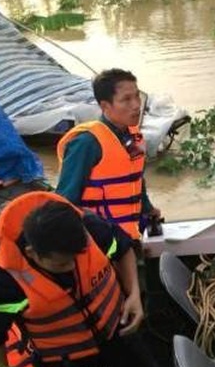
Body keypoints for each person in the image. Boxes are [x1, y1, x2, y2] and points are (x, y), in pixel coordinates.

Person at [0, 191, 171, 367]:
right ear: (32, 254)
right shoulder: (0, 281)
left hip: (118, 336)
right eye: (62, 264)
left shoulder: (88, 228)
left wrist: (134, 295)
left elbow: (123, 247)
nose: (72, 267)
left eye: (77, 258)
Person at [56, 68, 161, 240]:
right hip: (101, 240)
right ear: (105, 106)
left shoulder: (132, 135)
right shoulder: (86, 143)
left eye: (136, 96)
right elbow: (65, 202)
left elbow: (134, 179)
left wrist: (148, 209)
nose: (136, 105)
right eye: (126, 99)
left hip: (130, 235)